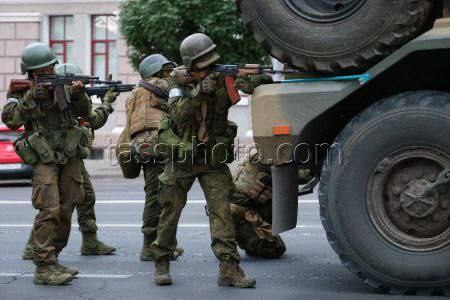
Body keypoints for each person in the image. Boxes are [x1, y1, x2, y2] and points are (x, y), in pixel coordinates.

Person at [150, 33, 272, 288]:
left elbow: (255, 85)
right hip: (182, 157)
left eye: (209, 62)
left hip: (212, 160)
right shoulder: (177, 80)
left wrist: (257, 78)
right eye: (202, 64)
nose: (207, 68)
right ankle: (161, 261)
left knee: (222, 212)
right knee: (170, 211)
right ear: (191, 65)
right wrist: (196, 94)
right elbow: (178, 117)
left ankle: (229, 267)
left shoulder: (223, 78)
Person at [1, 43, 88, 285]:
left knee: (69, 205)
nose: (47, 73)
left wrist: (79, 94)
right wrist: (30, 98)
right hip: (44, 157)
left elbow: (85, 114)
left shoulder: (65, 84)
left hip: (68, 154)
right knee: (49, 209)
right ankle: (43, 267)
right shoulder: (20, 92)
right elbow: (11, 121)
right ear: (30, 73)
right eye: (41, 72)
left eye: (50, 68)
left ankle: (54, 258)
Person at [21, 63, 118, 259]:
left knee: (84, 197)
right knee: (51, 206)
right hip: (60, 154)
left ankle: (89, 241)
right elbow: (93, 120)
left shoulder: (70, 96)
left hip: (71, 151)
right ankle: (35, 247)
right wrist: (107, 104)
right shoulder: (58, 97)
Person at [123, 54, 183, 261]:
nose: (170, 74)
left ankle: (158, 243)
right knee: (163, 195)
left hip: (144, 145)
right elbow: (180, 92)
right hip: (158, 143)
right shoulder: (158, 85)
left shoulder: (136, 93)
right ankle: (152, 246)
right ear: (156, 72)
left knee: (154, 193)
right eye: (166, 70)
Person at [231, 153, 286, 259]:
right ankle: (231, 253)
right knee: (276, 249)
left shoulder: (257, 156)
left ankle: (248, 244)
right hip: (239, 214)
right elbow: (303, 175)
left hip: (243, 211)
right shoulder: (264, 159)